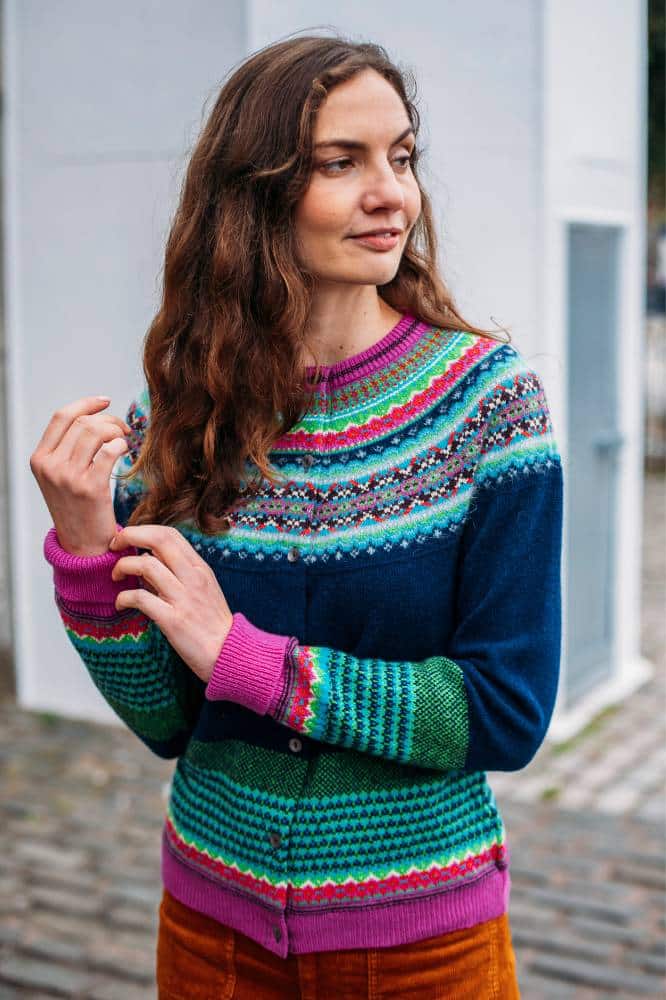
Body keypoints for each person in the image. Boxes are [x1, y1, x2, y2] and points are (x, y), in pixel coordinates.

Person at [33, 32, 563, 999]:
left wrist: (247, 659)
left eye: (401, 156)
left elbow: (506, 710)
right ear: (257, 193)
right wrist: (85, 547)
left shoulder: (489, 404)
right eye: (341, 163)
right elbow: (165, 721)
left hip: (419, 943)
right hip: (211, 931)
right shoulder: (183, 413)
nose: (391, 193)